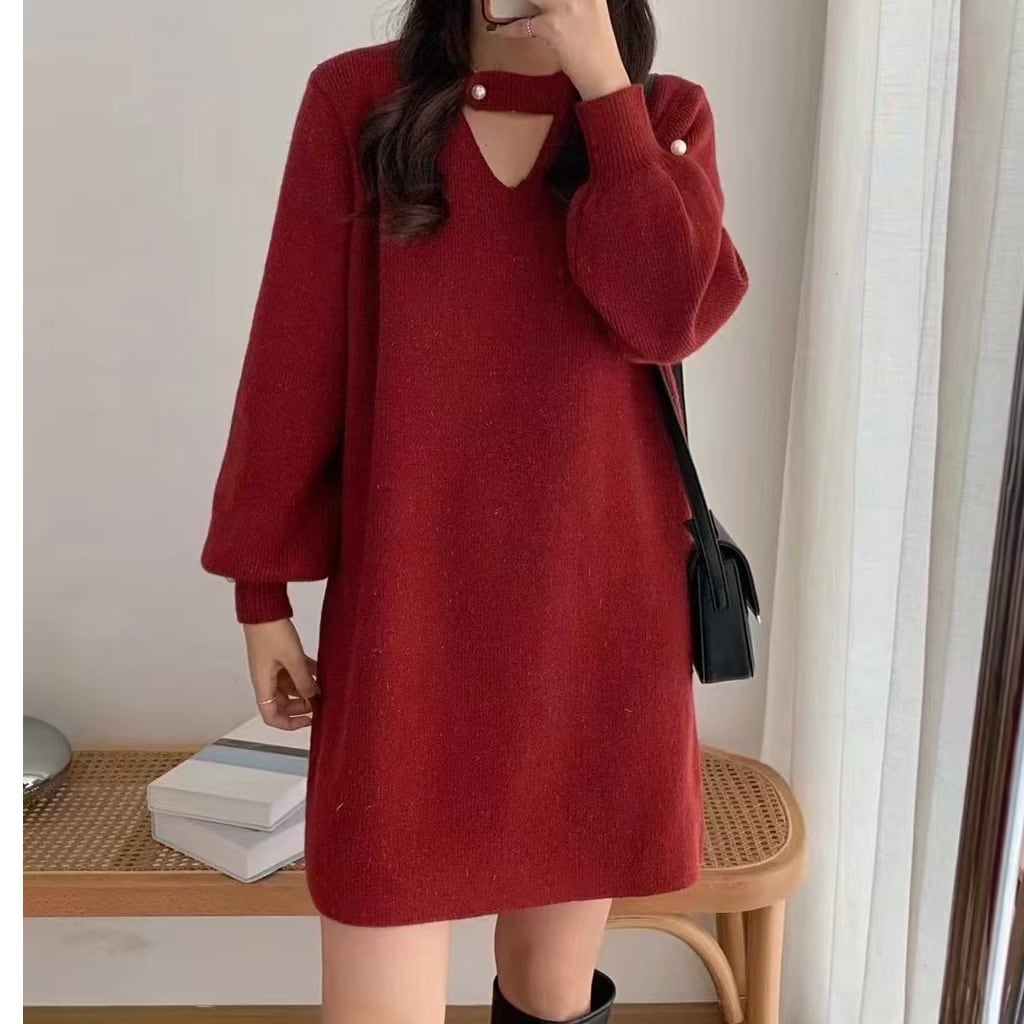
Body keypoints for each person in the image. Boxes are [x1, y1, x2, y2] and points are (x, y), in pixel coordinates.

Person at [201, 0, 748, 1020]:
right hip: (408, 628)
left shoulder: (662, 117)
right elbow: (292, 356)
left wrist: (606, 93)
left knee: (550, 989)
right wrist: (259, 588)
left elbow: (667, 315)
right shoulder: (357, 102)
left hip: (597, 635)